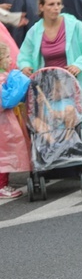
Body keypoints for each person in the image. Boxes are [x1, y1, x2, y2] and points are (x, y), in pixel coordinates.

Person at [17, 0, 82, 164]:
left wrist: (79, 64)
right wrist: (25, 66)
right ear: (41, 7)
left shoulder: (74, 25)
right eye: (51, 4)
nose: (56, 8)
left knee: (79, 121)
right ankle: (48, 158)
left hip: (72, 84)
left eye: (58, 4)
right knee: (45, 122)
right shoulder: (35, 30)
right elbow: (24, 54)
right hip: (45, 86)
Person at [0, 40, 29, 198]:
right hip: (3, 124)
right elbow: (6, 101)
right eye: (7, 56)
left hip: (6, 121)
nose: (10, 60)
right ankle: (1, 186)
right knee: (5, 155)